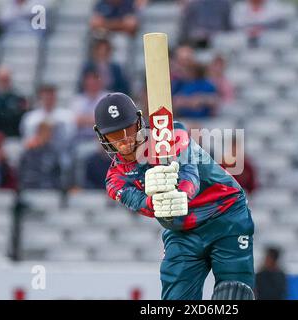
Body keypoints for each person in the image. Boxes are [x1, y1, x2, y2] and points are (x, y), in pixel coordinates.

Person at [94, 93, 255, 300]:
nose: (124, 140)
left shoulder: (170, 132)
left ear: (139, 122)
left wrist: (181, 192)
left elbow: (190, 172)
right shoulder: (115, 179)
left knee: (234, 294)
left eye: (128, 130)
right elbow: (142, 204)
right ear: (103, 137)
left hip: (226, 214)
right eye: (115, 135)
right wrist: (157, 201)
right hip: (182, 230)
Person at [20, 84, 75, 152]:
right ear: (40, 97)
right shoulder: (30, 117)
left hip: (59, 153)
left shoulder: (66, 115)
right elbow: (27, 138)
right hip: (36, 152)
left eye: (51, 95)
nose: (48, 97)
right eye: (46, 95)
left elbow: (69, 138)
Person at [18, 122, 61, 190]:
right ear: (39, 132)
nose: (49, 135)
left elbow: (57, 174)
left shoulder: (53, 151)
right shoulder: (29, 151)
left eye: (50, 132)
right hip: (29, 189)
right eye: (45, 132)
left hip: (49, 190)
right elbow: (22, 172)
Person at [71, 69, 108, 141]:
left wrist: (85, 119)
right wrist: (97, 120)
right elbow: (76, 121)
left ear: (99, 82)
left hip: (103, 138)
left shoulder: (107, 97)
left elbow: (108, 120)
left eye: (94, 80)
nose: (91, 83)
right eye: (89, 81)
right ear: (84, 83)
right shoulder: (78, 100)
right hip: (81, 138)